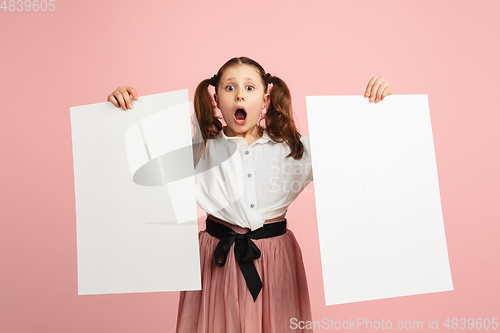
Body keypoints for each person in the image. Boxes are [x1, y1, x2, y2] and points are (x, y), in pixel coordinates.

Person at [107, 57, 393, 333]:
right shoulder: (198, 148)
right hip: (216, 257)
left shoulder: (293, 148)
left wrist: (378, 106)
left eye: (249, 88)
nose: (239, 96)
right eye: (230, 88)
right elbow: (138, 155)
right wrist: (124, 107)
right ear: (216, 99)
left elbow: (357, 154)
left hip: (275, 258)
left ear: (265, 101)